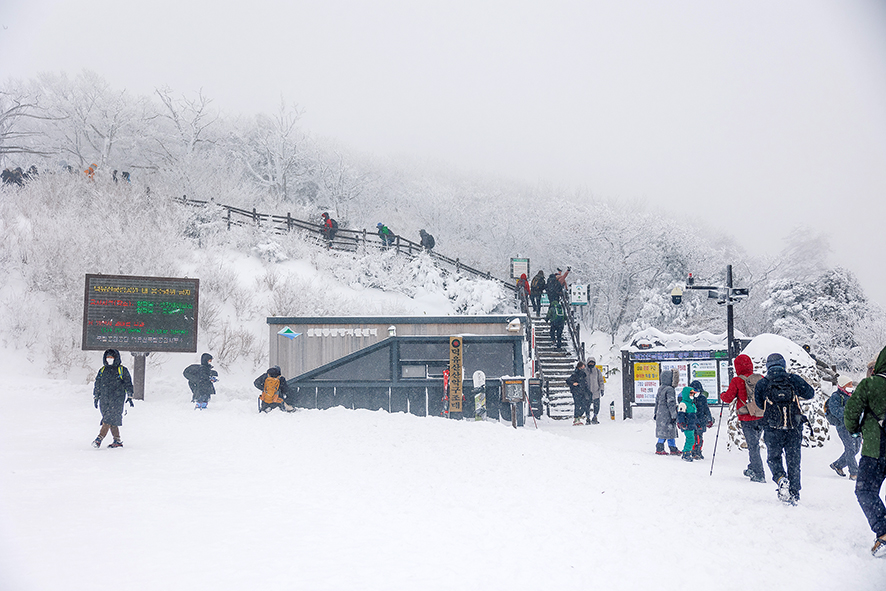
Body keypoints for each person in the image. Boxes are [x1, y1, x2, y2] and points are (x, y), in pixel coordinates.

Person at [754, 352, 815, 504]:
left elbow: (760, 404)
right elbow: (810, 393)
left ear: (767, 366)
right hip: (794, 427)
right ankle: (794, 493)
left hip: (772, 428)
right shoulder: (793, 379)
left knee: (773, 458)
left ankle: (781, 478)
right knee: (794, 460)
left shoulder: (762, 383)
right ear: (783, 364)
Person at [844, 346, 886, 556]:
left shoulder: (870, 384)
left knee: (865, 490)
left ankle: (884, 531)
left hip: (875, 449)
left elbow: (851, 411)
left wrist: (854, 430)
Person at [720, 353, 766, 482]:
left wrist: (722, 395)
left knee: (753, 446)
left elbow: (728, 398)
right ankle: (753, 467)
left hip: (746, 417)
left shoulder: (737, 380)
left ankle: (759, 473)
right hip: (760, 415)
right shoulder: (760, 378)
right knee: (755, 444)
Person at [91, 349, 134, 449]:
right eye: (108, 358)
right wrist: (96, 396)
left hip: (117, 398)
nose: (109, 360)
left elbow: (128, 383)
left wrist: (130, 395)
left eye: (111, 357)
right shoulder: (102, 370)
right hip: (104, 399)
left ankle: (99, 439)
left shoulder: (122, 370)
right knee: (111, 419)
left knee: (108, 418)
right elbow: (97, 384)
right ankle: (117, 440)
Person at [828, 375, 861, 479]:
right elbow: (835, 411)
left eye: (851, 383)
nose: (851, 386)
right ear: (842, 385)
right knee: (850, 448)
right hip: (843, 426)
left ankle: (838, 465)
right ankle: (854, 473)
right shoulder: (836, 397)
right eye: (849, 384)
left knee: (855, 449)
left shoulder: (853, 395)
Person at [654, 368, 680, 455]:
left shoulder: (660, 388)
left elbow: (657, 402)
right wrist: (674, 414)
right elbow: (671, 403)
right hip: (667, 414)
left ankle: (671, 447)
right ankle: (661, 447)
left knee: (666, 430)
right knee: (669, 430)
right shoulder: (670, 389)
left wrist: (655, 413)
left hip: (660, 413)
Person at [689, 380, 713, 460]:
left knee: (699, 437)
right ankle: (694, 451)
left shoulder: (702, 398)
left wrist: (709, 419)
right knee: (694, 437)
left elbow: (706, 409)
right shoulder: (690, 399)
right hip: (693, 420)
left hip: (701, 420)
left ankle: (698, 451)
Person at [677, 386, 698, 462]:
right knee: (690, 439)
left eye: (693, 394)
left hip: (691, 424)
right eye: (691, 393)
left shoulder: (692, 404)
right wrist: (682, 423)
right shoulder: (683, 404)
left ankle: (687, 452)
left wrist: (697, 423)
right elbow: (681, 414)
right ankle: (686, 452)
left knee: (692, 439)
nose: (692, 395)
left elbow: (694, 415)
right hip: (687, 424)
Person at [568, 361, 591, 426]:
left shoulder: (583, 374)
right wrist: (573, 384)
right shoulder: (575, 374)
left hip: (582, 391)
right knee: (577, 405)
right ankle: (576, 418)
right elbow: (568, 380)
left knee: (583, 404)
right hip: (576, 391)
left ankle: (578, 416)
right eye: (583, 367)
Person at [584, 357, 605, 424]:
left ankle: (595, 417)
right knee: (587, 406)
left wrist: (602, 389)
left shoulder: (597, 371)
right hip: (587, 392)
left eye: (592, 362)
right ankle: (587, 418)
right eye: (590, 362)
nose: (591, 364)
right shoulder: (584, 371)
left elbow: (601, 381)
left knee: (596, 406)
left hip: (596, 391)